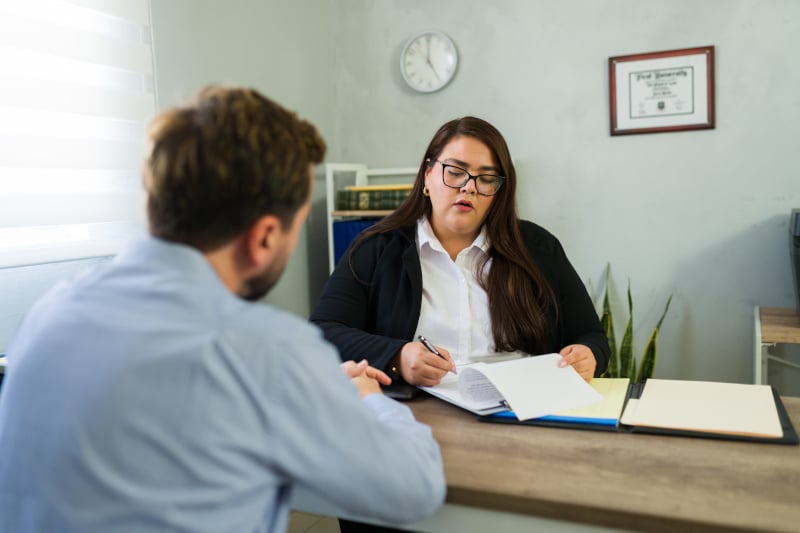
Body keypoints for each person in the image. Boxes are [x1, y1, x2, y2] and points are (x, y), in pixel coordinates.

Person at [0, 86, 445, 533]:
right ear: (265, 237)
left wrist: (310, 386)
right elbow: (416, 487)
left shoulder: (47, 313)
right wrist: (367, 400)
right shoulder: (263, 349)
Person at [311, 115, 609, 388]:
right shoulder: (376, 248)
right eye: (455, 172)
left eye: (487, 179)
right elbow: (323, 331)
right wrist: (397, 356)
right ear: (428, 174)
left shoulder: (538, 247)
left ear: (498, 192)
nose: (469, 187)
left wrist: (587, 355)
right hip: (421, 411)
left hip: (522, 411)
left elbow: (591, 336)